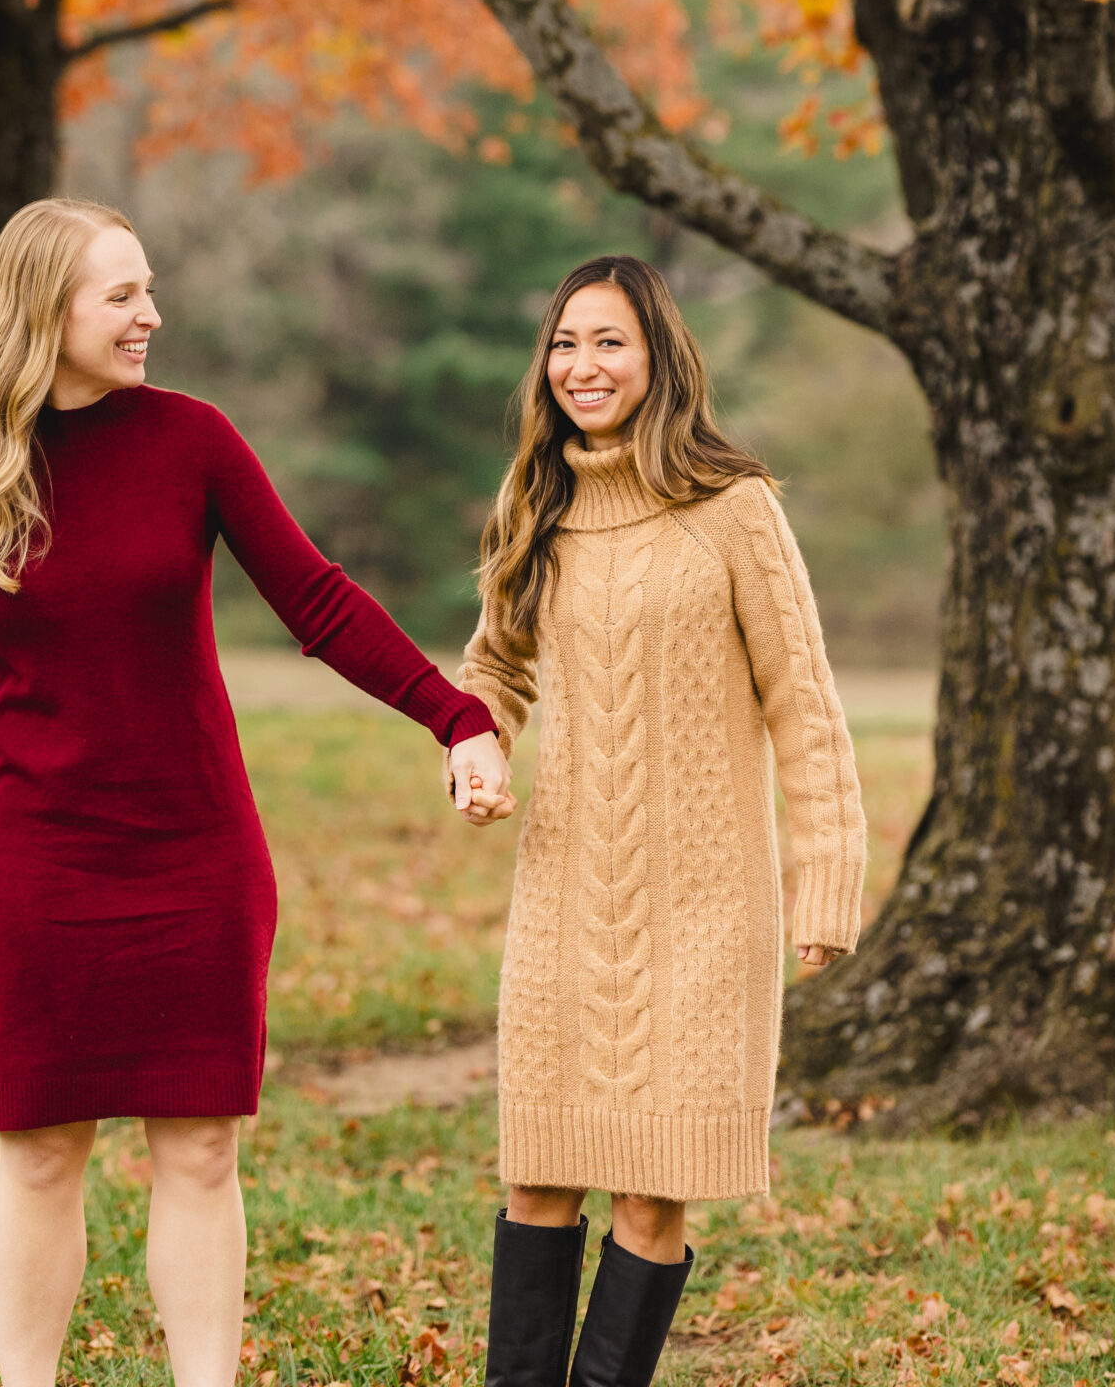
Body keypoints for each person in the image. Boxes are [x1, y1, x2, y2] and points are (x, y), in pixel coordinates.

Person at [0, 197, 511, 1387]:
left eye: (148, 289)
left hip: (193, 850)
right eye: (122, 294)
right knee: (40, 1154)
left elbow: (318, 600)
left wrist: (453, 714)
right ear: (48, 309)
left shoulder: (193, 439)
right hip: (35, 862)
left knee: (201, 1149)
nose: (151, 313)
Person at [456, 254, 865, 1387]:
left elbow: (806, 703)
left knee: (652, 1184)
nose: (583, 365)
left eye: (610, 341)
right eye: (565, 343)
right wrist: (474, 740)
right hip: (563, 895)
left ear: (659, 356)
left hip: (706, 904)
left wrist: (826, 876)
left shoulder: (734, 508)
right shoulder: (539, 501)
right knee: (538, 1176)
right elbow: (494, 665)